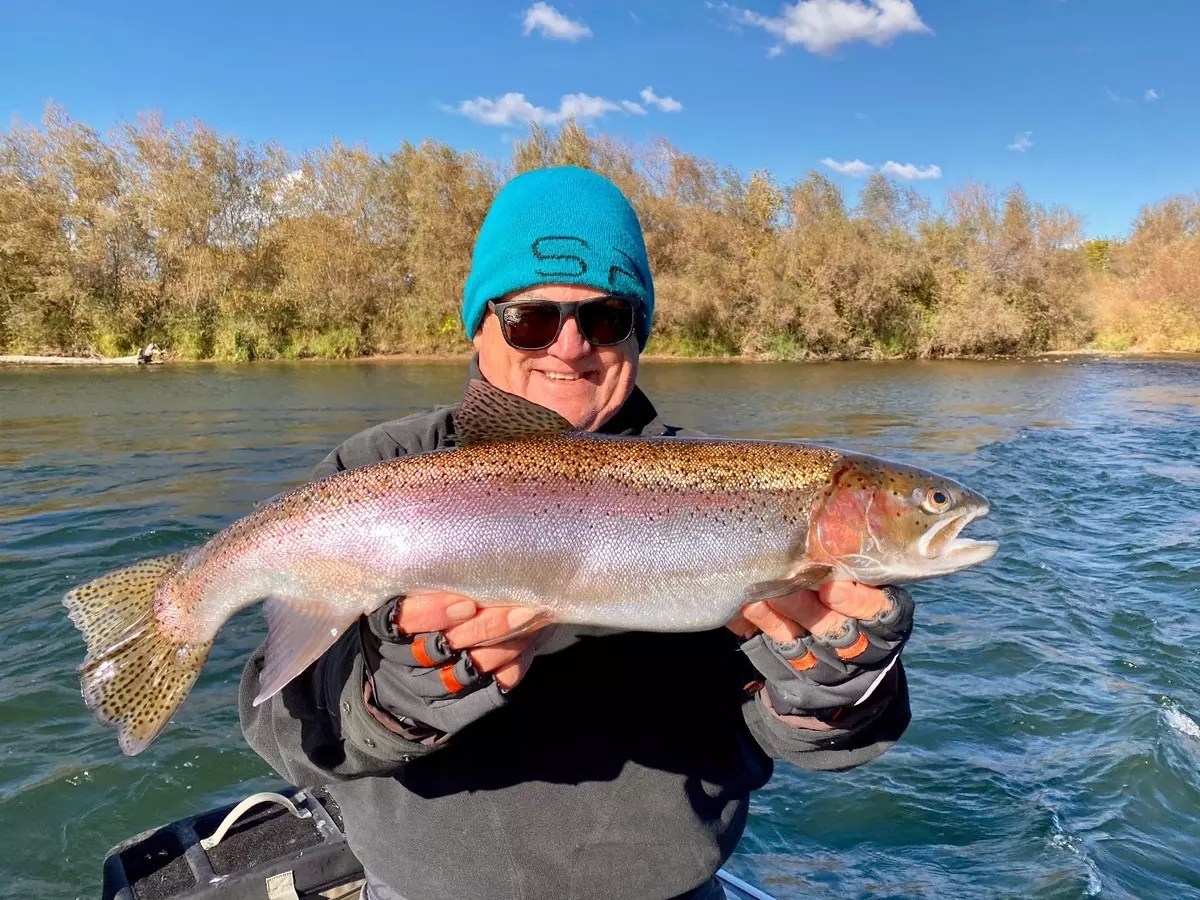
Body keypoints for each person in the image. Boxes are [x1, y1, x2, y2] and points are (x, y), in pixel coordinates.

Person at [239, 166, 915, 900]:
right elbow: (279, 729)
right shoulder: (376, 471)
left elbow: (828, 744)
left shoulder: (729, 487)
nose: (568, 347)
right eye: (531, 319)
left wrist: (832, 691)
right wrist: (386, 704)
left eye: (605, 318)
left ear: (636, 333)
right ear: (480, 325)